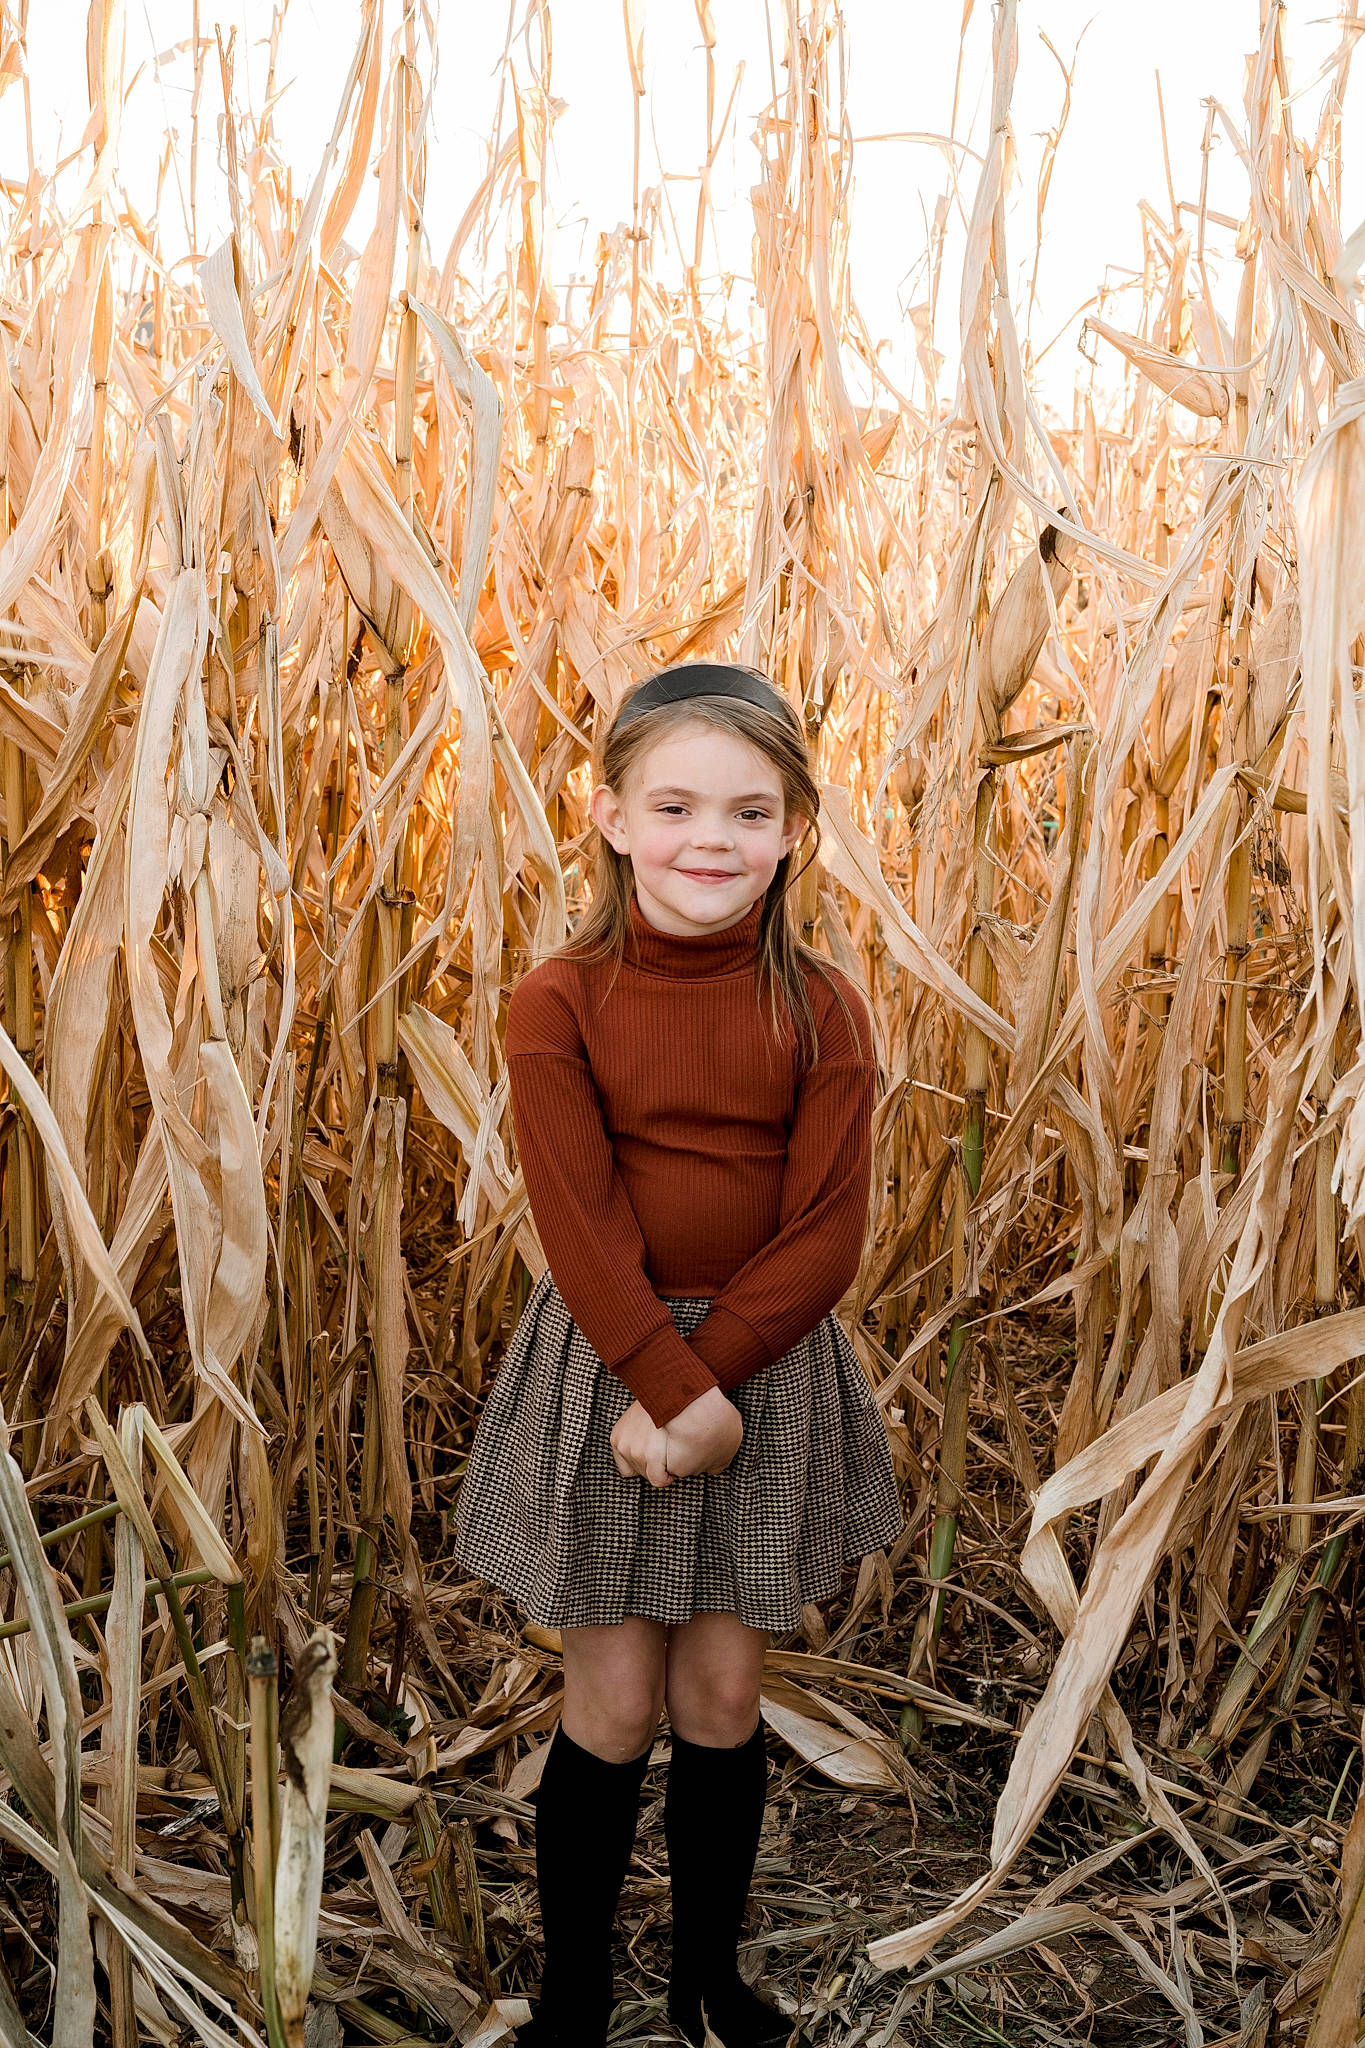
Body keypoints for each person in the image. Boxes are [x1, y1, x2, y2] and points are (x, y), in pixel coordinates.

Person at [455, 661, 903, 2048]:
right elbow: (578, 1225)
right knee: (613, 1696)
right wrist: (665, 1387)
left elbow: (828, 1231)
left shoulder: (821, 1007)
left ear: (793, 830)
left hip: (769, 1372)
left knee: (719, 1692)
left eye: (749, 812)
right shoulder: (561, 1000)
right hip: (607, 1366)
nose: (710, 840)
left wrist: (718, 1393)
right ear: (608, 816)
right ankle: (575, 2003)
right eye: (675, 806)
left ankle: (707, 1982)